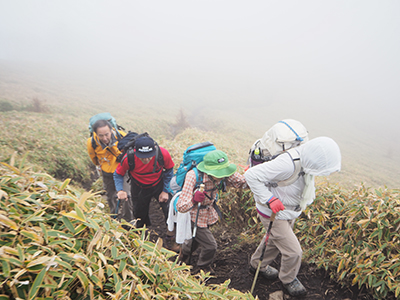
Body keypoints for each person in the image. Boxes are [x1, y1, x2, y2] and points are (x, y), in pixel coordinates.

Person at [245, 136, 341, 297]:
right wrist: (269, 199)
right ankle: (288, 280)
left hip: (289, 211)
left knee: (275, 241)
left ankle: (256, 265)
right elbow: (251, 176)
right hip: (274, 213)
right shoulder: (287, 163)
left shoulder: (307, 159)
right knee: (294, 252)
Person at [176, 150, 247, 273]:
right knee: (210, 245)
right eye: (217, 173)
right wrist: (193, 199)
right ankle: (202, 269)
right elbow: (181, 206)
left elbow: (242, 182)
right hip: (193, 214)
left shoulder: (225, 173)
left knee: (195, 241)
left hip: (208, 213)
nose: (221, 176)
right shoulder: (193, 176)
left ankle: (183, 258)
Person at [113, 136, 175, 232]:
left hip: (158, 184)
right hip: (138, 186)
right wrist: (120, 190)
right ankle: (143, 234)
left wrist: (165, 190)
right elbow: (118, 174)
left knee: (169, 209)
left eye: (149, 156)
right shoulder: (129, 158)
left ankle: (171, 233)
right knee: (139, 213)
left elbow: (169, 171)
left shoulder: (162, 154)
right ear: (136, 151)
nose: (146, 160)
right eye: (142, 157)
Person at [87, 119, 133, 222]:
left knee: (126, 196)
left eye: (107, 134)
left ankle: (128, 220)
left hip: (122, 171)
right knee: (110, 196)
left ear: (111, 130)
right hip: (107, 173)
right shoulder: (92, 142)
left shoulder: (121, 135)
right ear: (95, 133)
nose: (104, 138)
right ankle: (114, 217)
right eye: (101, 135)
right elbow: (94, 158)